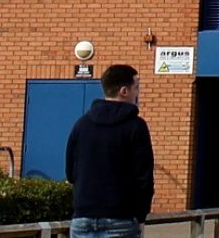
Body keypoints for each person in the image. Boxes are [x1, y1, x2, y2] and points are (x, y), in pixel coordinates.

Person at [66, 65, 156, 238]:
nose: (137, 93)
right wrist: (141, 216)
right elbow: (144, 178)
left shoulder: (81, 124)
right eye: (136, 88)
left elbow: (71, 173)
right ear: (124, 91)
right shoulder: (136, 127)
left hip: (82, 218)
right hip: (121, 218)